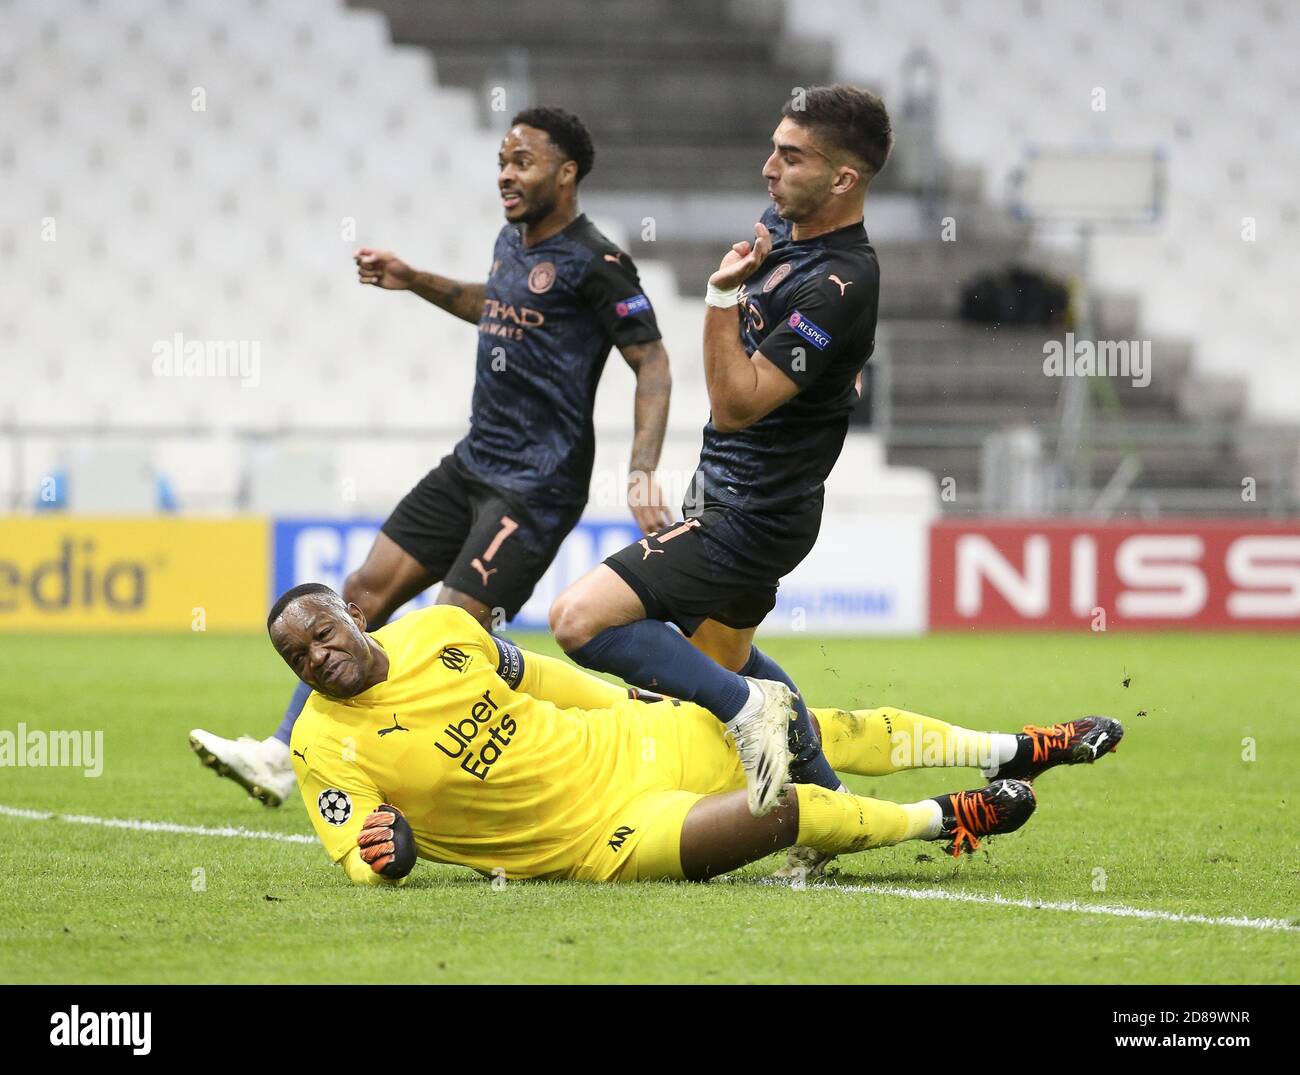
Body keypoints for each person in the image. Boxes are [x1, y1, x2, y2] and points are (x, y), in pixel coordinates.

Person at [191, 106, 673, 805]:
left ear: (567, 174)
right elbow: (496, 305)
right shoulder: (512, 243)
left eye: (523, 162)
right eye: (502, 160)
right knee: (357, 596)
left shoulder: (598, 262)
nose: (505, 174)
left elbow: (652, 360)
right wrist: (414, 278)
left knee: (452, 635)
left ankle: (588, 757)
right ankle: (279, 754)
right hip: (473, 462)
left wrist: (642, 468)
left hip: (535, 485)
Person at [548, 86, 891, 877]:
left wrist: (717, 295)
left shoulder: (841, 283)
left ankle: (747, 717)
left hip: (752, 513)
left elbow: (737, 405)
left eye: (791, 156)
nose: (767, 169)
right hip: (729, 495)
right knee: (727, 658)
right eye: (773, 148)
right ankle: (832, 823)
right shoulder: (784, 233)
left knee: (578, 619)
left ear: (844, 179)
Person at [268, 584, 1122, 886]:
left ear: (353, 613)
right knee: (778, 810)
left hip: (636, 739)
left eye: (321, 632)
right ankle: (947, 817)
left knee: (806, 723)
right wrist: (384, 856)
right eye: (296, 654)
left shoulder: (439, 629)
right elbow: (357, 849)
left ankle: (1021, 746)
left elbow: (544, 675)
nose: (316, 656)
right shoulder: (319, 745)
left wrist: (633, 696)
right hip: (603, 840)